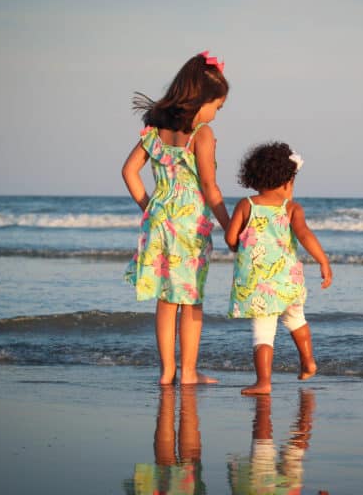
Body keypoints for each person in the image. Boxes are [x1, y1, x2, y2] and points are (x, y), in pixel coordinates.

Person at [123, 51, 229, 385]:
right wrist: (231, 228)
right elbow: (211, 189)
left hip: (159, 223)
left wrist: (151, 208)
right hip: (190, 226)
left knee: (167, 299)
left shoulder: (154, 131)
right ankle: (188, 373)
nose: (216, 115)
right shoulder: (202, 134)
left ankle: (167, 371)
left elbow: (128, 172)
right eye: (217, 107)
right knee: (191, 300)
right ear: (202, 100)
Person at [225, 142, 332, 395]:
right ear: (287, 181)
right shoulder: (292, 208)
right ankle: (308, 361)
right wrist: (323, 261)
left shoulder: (246, 205)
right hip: (288, 282)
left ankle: (263, 382)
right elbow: (305, 235)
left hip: (259, 284)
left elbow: (231, 239)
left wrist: (238, 245)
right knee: (297, 319)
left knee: (263, 333)